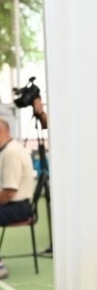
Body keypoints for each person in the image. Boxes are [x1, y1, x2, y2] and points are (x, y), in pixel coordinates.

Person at [0, 116, 35, 279]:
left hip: (19, 207)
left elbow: (9, 192)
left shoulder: (11, 154)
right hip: (17, 204)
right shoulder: (8, 150)